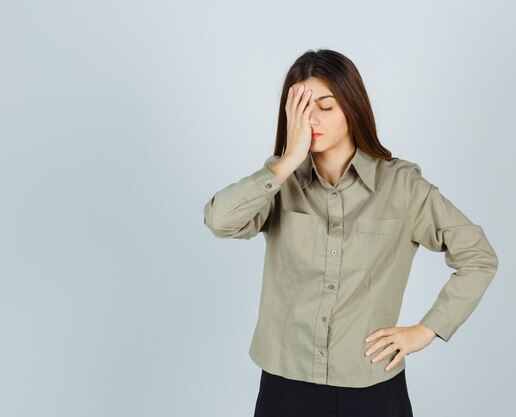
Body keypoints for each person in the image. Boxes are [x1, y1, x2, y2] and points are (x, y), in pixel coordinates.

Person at [203, 49, 499, 417]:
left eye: (325, 107)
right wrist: (288, 160)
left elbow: (479, 257)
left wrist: (426, 330)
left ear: (352, 107)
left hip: (371, 386)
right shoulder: (278, 182)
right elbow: (219, 221)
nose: (312, 119)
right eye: (301, 107)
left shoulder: (402, 187)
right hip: (284, 386)